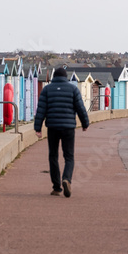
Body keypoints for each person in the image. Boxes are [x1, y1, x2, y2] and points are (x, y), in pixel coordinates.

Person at [34, 67, 89, 197]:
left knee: (53, 156)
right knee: (69, 156)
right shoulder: (73, 89)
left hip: (52, 127)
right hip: (68, 128)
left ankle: (57, 188)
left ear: (54, 77)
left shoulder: (47, 89)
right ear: (65, 77)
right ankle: (67, 179)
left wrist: (38, 128)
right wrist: (85, 124)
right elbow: (80, 108)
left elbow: (41, 109)